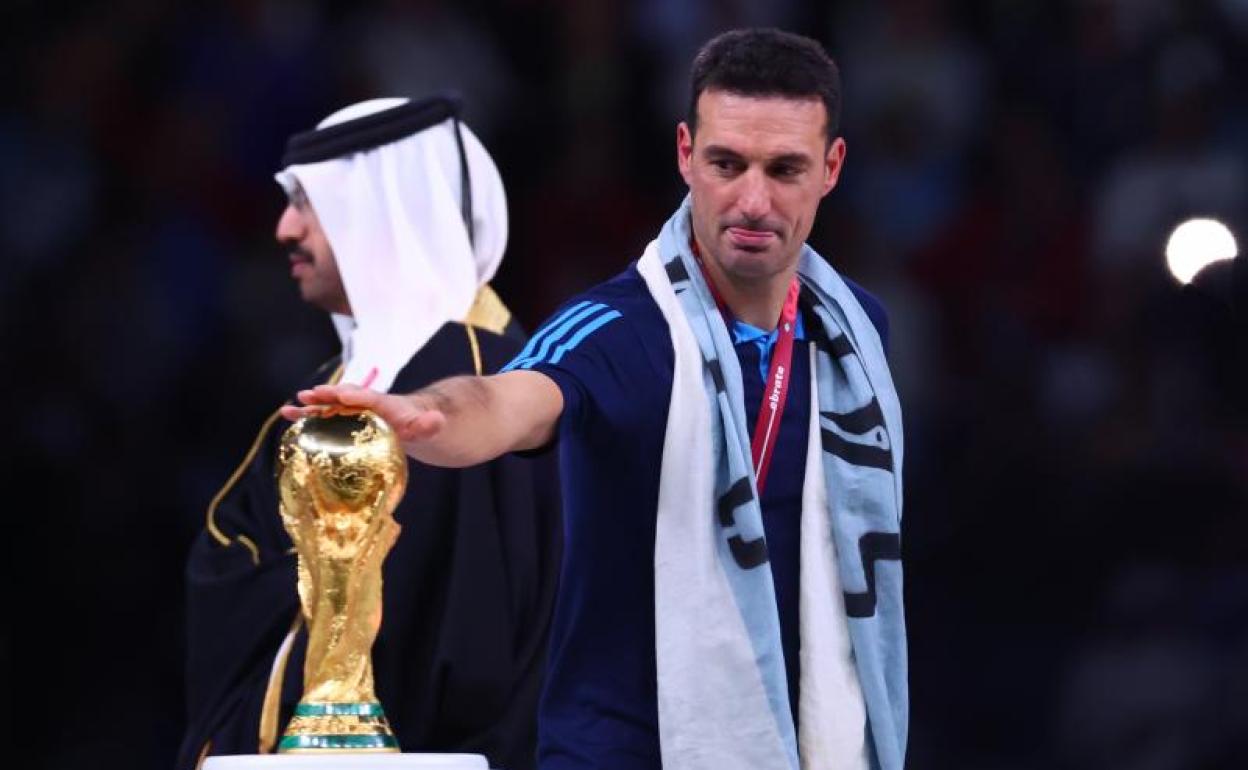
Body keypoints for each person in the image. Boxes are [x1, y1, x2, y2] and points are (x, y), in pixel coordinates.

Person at [287, 30, 907, 770]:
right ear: (685, 154)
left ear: (831, 167)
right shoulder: (619, 328)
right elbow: (507, 399)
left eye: (784, 170)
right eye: (726, 164)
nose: (752, 200)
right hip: (619, 751)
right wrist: (433, 416)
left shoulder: (854, 332)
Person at [178, 95, 561, 770]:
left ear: (387, 212)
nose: (284, 229)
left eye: (310, 205)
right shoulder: (353, 375)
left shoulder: (474, 382)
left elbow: (465, 642)